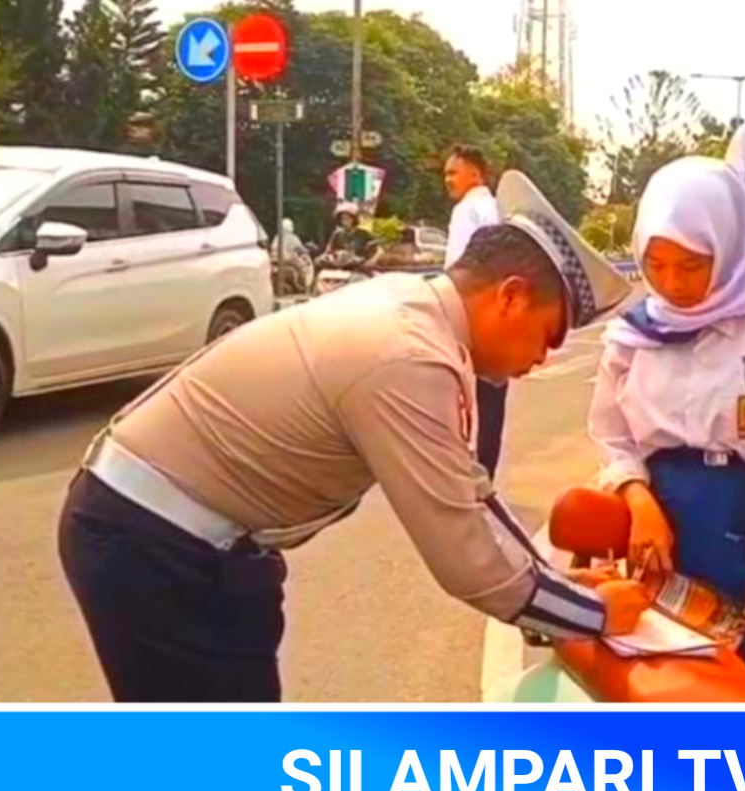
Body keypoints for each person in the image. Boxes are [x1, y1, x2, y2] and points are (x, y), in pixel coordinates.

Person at [57, 172, 648, 702]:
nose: (540, 360)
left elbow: (471, 494)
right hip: (156, 544)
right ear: (511, 295)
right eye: (546, 337)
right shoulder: (409, 355)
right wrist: (594, 615)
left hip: (184, 540)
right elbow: (466, 559)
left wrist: (558, 586)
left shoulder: (415, 315)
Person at [587, 157, 745, 692]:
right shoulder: (635, 334)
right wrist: (637, 496)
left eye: (692, 265)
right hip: (664, 526)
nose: (672, 283)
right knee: (666, 676)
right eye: (656, 264)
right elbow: (612, 432)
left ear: (729, 247)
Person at [443, 144, 506, 480]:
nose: (448, 180)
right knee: (492, 404)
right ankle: (486, 478)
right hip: (498, 317)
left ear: (475, 173)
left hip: (469, 317)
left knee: (456, 401)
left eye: (453, 172)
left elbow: (460, 269)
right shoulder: (497, 208)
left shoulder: (467, 210)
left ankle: (458, 478)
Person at [271, 218, 314, 295]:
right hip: (287, 260)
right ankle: (303, 287)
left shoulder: (277, 237)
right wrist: (308, 250)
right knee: (302, 267)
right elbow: (301, 249)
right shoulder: (293, 237)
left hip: (275, 262)